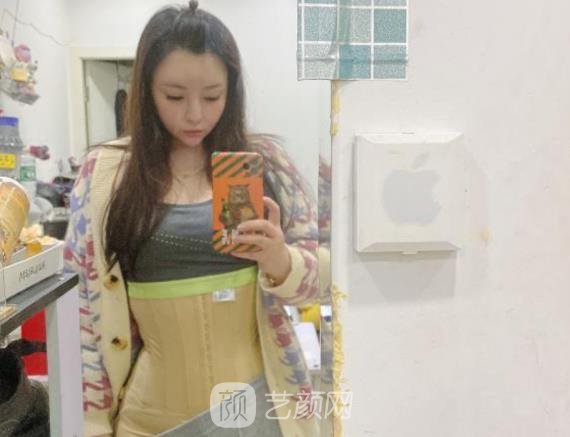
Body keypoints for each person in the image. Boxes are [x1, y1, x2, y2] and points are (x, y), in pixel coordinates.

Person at [63, 1, 321, 436]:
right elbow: (85, 315)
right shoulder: (105, 173)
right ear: (146, 90)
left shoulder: (268, 164)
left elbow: (320, 283)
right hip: (148, 419)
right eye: (175, 96)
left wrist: (280, 260)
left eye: (213, 96)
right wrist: (92, 424)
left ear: (232, 91)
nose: (195, 114)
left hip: (259, 410)